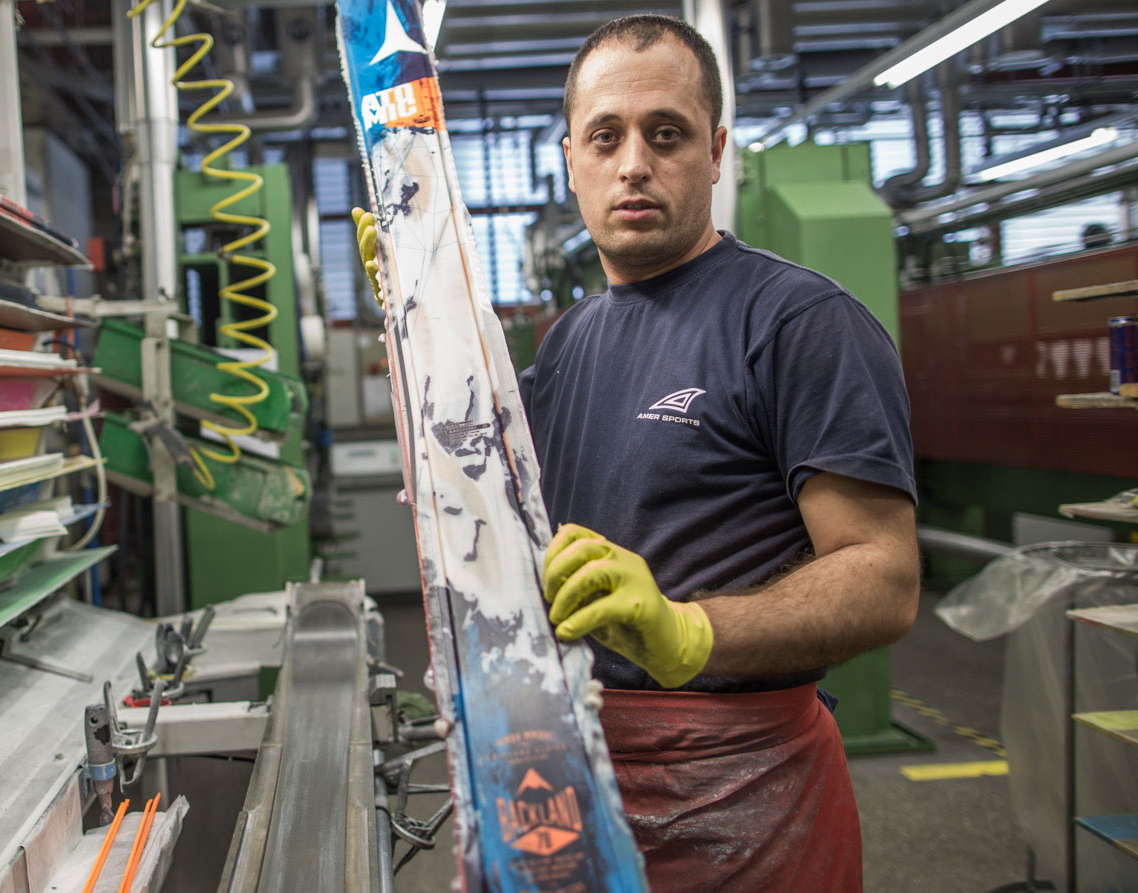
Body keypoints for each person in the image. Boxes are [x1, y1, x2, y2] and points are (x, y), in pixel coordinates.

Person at [355, 14, 919, 892]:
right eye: (605, 137)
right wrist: (421, 329)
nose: (633, 165)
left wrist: (692, 631)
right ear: (571, 158)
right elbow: (480, 493)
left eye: (667, 134)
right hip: (569, 762)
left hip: (745, 788)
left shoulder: (799, 323)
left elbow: (884, 575)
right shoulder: (573, 337)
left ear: (717, 149)